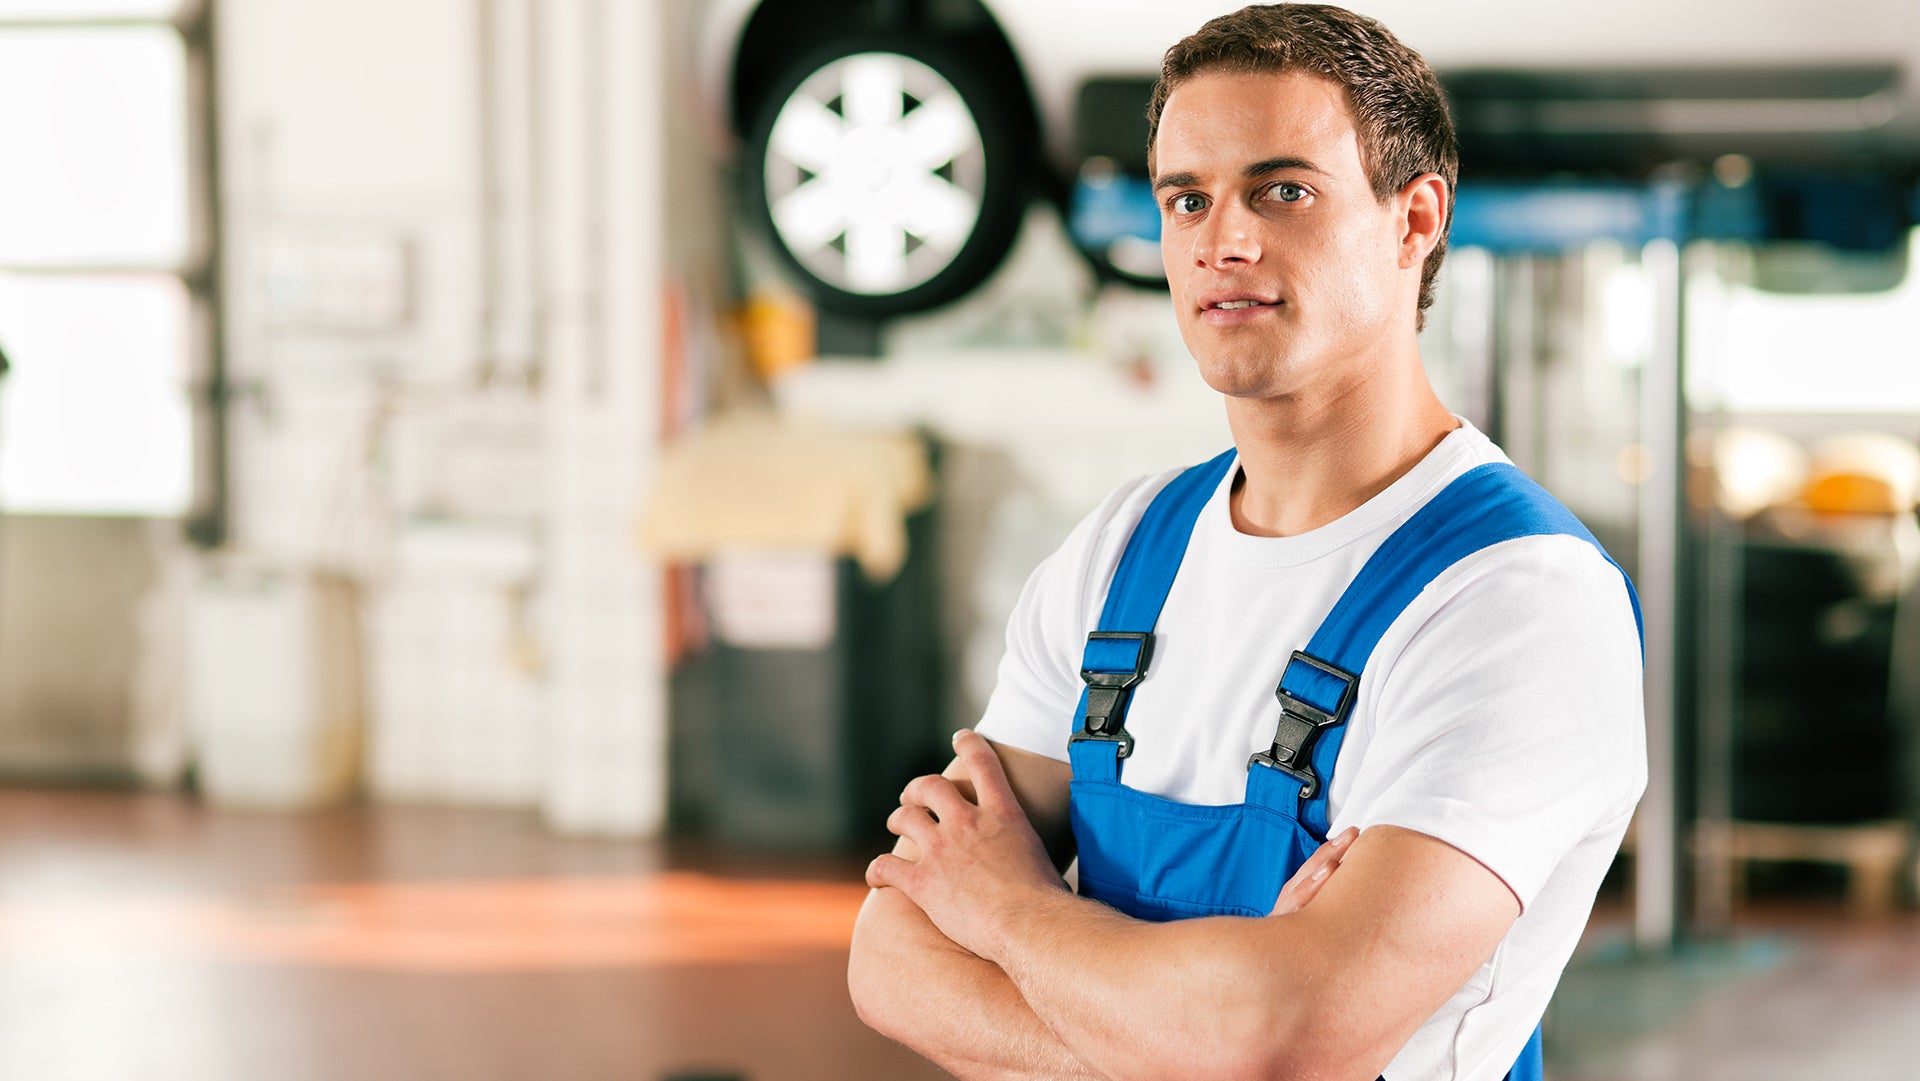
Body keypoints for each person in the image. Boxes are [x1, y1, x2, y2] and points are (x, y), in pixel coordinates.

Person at [847, 5, 1646, 1079]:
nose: (1223, 240)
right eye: (1188, 199)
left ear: (1415, 221)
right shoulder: (1119, 553)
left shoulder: (1518, 598)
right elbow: (890, 956)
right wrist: (1204, 1020)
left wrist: (1006, 907)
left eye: (1284, 190)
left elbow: (1279, 1038)